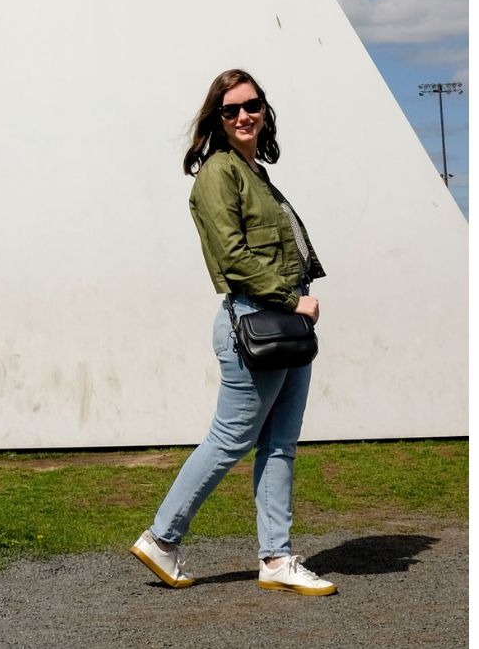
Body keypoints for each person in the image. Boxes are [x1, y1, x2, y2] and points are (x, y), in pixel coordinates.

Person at [131, 69, 336, 596]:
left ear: (264, 109)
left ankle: (275, 557)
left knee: (279, 446)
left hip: (286, 326)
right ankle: (161, 538)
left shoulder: (255, 172)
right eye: (231, 110)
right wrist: (294, 299)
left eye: (252, 105)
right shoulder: (219, 174)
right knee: (231, 438)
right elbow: (233, 257)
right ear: (216, 121)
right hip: (255, 323)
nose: (244, 116)